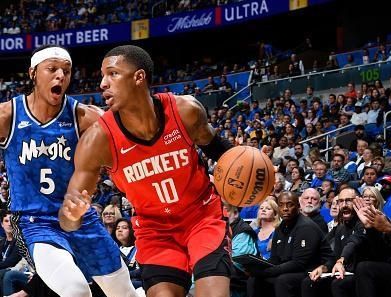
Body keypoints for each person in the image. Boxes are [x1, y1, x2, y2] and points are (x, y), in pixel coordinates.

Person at [59, 45, 233, 297]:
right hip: (155, 230)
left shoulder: (185, 111)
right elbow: (68, 222)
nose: (103, 84)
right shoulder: (97, 140)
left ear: (139, 77)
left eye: (112, 74)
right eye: (102, 76)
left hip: (202, 217)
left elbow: (222, 152)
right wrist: (72, 214)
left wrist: (253, 176)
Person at [0, 45, 138, 297]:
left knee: (124, 293)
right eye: (52, 69)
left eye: (66, 70)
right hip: (35, 221)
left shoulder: (85, 116)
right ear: (33, 73)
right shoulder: (7, 115)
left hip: (81, 219)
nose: (60, 76)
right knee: (75, 290)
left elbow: (130, 146)